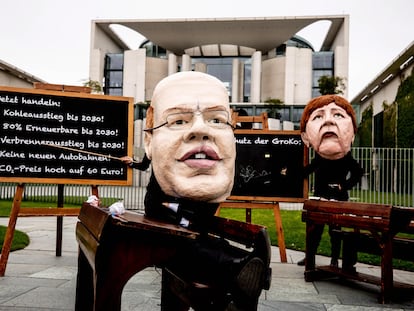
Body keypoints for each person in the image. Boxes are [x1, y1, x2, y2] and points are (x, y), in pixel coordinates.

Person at [143, 71, 267, 310]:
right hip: (169, 225)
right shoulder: (160, 201)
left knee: (185, 245)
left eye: (217, 120)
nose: (201, 130)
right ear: (149, 140)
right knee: (180, 244)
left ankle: (239, 270)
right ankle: (238, 265)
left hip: (184, 233)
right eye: (178, 121)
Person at [297, 94, 364, 268]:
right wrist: (290, 173)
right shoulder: (320, 158)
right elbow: (307, 171)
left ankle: (334, 259)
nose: (328, 122)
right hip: (320, 198)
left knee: (335, 231)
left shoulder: (347, 158)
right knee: (314, 231)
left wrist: (344, 186)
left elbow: (358, 172)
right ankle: (309, 256)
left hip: (338, 199)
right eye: (319, 116)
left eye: (337, 115)